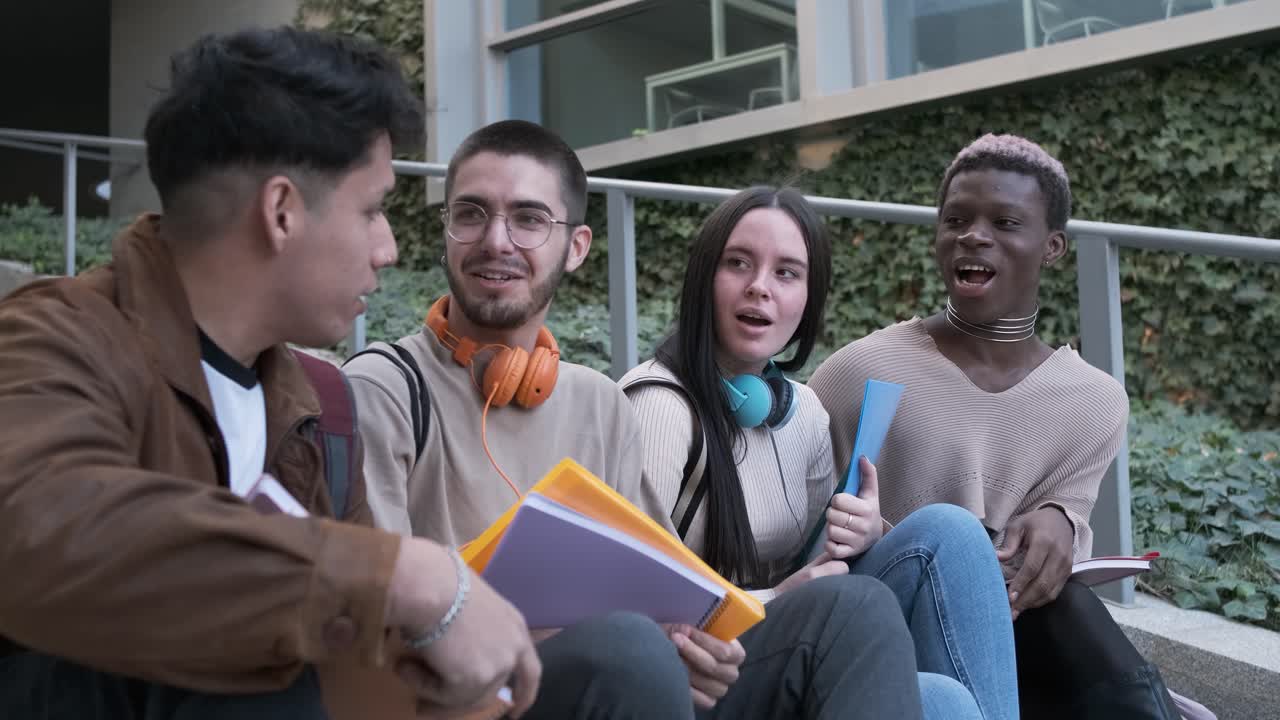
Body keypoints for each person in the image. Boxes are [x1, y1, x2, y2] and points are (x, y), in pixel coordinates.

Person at [0, 27, 547, 720]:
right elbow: (42, 533)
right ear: (282, 211)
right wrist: (408, 573)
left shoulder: (316, 405)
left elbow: (348, 665)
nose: (388, 249)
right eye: (374, 210)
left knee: (610, 660)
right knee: (243, 664)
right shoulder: (52, 338)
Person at [808, 133, 1186, 719]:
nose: (973, 235)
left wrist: (1061, 519)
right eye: (955, 219)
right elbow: (797, 521)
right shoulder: (861, 371)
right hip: (884, 628)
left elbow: (1063, 530)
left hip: (1014, 639)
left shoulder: (1094, 401)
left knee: (1063, 609)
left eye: (1005, 222)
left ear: (1053, 246)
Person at [620, 185, 1019, 720]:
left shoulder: (802, 411)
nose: (760, 288)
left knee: (950, 531)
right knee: (939, 702)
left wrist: (861, 535)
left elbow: (815, 569)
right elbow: (629, 602)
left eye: (787, 273)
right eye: (738, 263)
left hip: (790, 637)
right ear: (703, 279)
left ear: (808, 297)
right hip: (695, 673)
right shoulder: (659, 408)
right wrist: (779, 599)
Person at [343, 119, 694, 719]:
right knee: (627, 650)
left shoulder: (600, 403)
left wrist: (693, 644)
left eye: (529, 219)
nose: (496, 241)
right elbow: (381, 625)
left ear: (577, 247)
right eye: (472, 213)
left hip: (613, 683)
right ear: (446, 230)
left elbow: (660, 597)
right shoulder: (380, 387)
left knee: (845, 613)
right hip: (460, 703)